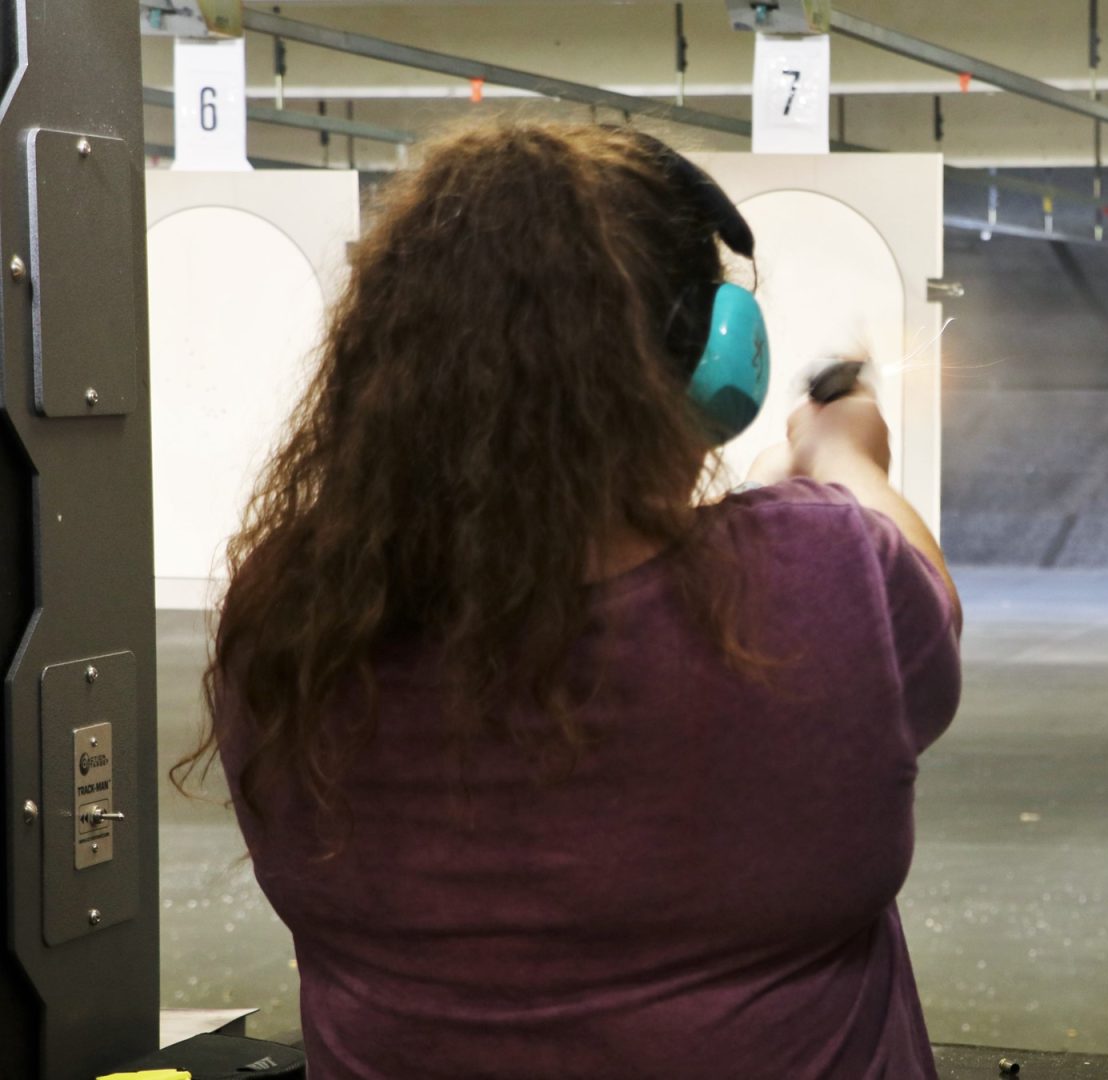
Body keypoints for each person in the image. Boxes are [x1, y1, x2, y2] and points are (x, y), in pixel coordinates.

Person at [175, 121, 962, 1079]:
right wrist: (838, 457)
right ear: (713, 364)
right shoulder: (822, 568)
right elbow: (929, 605)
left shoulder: (287, 619)